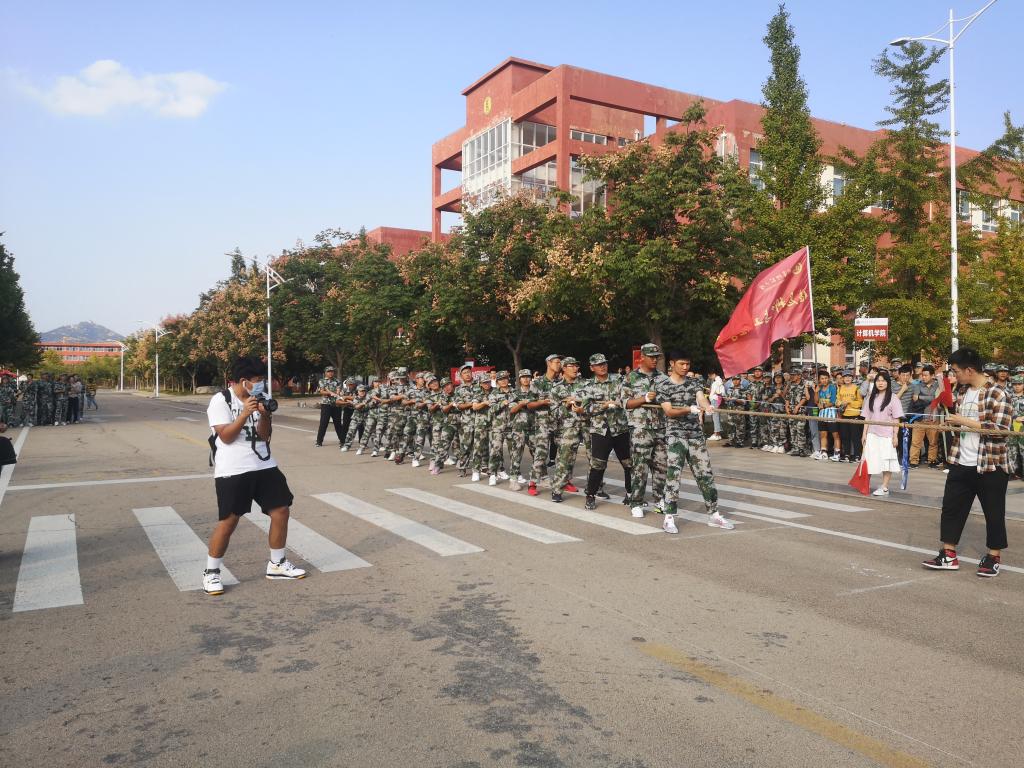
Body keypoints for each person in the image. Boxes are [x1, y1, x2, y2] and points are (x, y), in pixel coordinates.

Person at [202, 356, 306, 595]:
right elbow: (226, 437)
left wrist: (265, 414)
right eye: (258, 379)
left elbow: (264, 436)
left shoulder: (262, 398)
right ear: (243, 381)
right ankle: (211, 572)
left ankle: (277, 564)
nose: (261, 384)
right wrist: (244, 413)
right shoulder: (221, 400)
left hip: (264, 464)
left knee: (281, 510)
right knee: (229, 520)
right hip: (233, 468)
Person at [922, 348, 1013, 577]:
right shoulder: (961, 392)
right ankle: (948, 554)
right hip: (960, 460)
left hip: (991, 464)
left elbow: (1001, 430)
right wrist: (953, 424)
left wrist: (964, 420)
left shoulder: (998, 394)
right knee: (951, 509)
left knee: (993, 513)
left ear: (970, 370)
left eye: (956, 371)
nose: (954, 376)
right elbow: (961, 426)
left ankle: (993, 557)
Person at [656, 352, 734, 533]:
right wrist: (688, 409)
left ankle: (714, 514)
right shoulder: (663, 385)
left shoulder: (694, 383)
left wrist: (708, 407)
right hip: (675, 435)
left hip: (695, 435)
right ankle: (669, 517)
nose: (685, 367)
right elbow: (668, 411)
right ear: (672, 363)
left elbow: (701, 398)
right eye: (682, 364)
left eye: (688, 364)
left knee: (705, 474)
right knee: (674, 475)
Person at [581, 353, 631, 511]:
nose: (602, 366)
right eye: (598, 365)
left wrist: (620, 402)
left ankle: (630, 493)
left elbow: (628, 397)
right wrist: (603, 406)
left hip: (621, 429)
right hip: (601, 430)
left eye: (604, 363)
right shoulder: (588, 386)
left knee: (629, 463)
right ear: (592, 368)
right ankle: (591, 495)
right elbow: (585, 409)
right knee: (598, 465)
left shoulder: (619, 380)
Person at [623, 344, 669, 513]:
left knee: (662, 466)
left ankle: (659, 500)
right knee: (640, 468)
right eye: (651, 356)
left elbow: (670, 399)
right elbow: (626, 403)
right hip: (640, 430)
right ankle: (636, 502)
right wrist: (644, 399)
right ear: (642, 357)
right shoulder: (631, 378)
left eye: (657, 356)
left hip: (660, 428)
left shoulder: (663, 378)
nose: (655, 359)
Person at [859, 370, 904, 497]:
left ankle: (884, 487)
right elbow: (867, 417)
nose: (880, 383)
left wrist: (895, 436)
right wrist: (864, 434)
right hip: (872, 433)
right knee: (869, 459)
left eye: (883, 381)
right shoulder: (871, 397)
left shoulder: (893, 398)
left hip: (887, 434)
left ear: (888, 383)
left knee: (886, 461)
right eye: (878, 380)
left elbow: (896, 418)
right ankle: (865, 484)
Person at [549, 357, 586, 502]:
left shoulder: (585, 385)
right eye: (572, 366)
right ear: (564, 368)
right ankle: (557, 489)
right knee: (564, 459)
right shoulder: (556, 388)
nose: (575, 369)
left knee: (594, 458)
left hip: (587, 425)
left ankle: (596, 488)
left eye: (577, 366)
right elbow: (553, 413)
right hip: (568, 428)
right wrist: (565, 406)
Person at [526, 355, 562, 495]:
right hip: (543, 423)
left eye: (560, 362)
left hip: (560, 422)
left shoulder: (562, 382)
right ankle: (533, 483)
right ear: (548, 363)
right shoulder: (538, 382)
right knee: (541, 453)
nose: (559, 364)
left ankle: (564, 481)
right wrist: (541, 402)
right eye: (557, 362)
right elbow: (529, 404)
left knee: (564, 453)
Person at [909, 365, 941, 468]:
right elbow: (915, 399)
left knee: (933, 442)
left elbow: (937, 399)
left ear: (932, 375)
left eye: (926, 375)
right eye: (922, 375)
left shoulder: (938, 385)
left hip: (933, 418)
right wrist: (931, 398)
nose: (923, 377)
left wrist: (920, 397)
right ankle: (913, 461)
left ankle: (932, 461)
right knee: (915, 442)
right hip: (919, 417)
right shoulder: (918, 386)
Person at [836, 370, 864, 463]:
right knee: (845, 436)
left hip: (854, 415)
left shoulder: (856, 388)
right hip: (844, 415)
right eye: (845, 377)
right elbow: (837, 401)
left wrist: (850, 402)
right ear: (843, 378)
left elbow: (860, 403)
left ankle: (857, 455)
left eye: (849, 376)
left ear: (852, 378)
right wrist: (841, 403)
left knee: (855, 437)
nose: (847, 378)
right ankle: (846, 455)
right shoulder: (840, 388)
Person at [314, 366, 343, 448]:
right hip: (326, 404)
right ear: (325, 373)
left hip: (336, 404)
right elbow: (322, 391)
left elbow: (338, 392)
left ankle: (342, 441)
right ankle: (319, 441)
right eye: (329, 371)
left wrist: (334, 393)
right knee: (323, 423)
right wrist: (330, 393)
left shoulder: (337, 381)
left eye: (332, 371)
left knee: (338, 423)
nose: (330, 373)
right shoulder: (322, 381)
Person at [814, 370, 840, 461]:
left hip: (831, 414)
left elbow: (833, 401)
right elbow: (816, 401)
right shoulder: (819, 388)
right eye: (822, 378)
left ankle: (837, 453)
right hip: (822, 414)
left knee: (835, 434)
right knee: (823, 434)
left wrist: (824, 406)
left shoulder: (832, 387)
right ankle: (823, 452)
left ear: (828, 379)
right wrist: (816, 392)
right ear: (819, 380)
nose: (824, 380)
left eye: (826, 378)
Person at [1007, 375, 1024, 481]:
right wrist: (1014, 417)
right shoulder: (1008, 397)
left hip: (1022, 428)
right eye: (1015, 384)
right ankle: (1011, 473)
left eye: (1019, 384)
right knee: (1011, 450)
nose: (1017, 386)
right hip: (1011, 427)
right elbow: (1005, 411)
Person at [707, 372, 725, 441]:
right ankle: (718, 434)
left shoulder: (717, 382)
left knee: (715, 417)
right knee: (716, 416)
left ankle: (716, 434)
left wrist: (713, 392)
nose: (710, 378)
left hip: (715, 399)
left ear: (714, 374)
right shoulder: (719, 381)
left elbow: (718, 391)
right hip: (716, 399)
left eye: (710, 376)